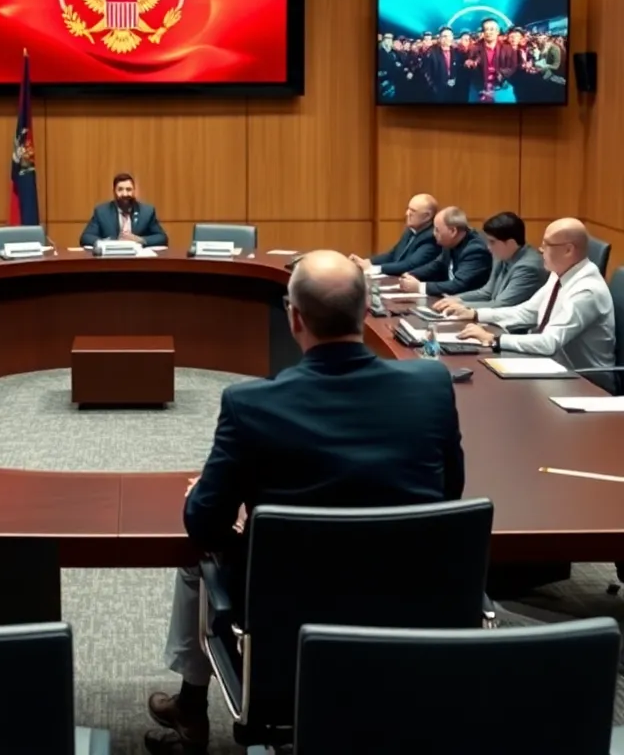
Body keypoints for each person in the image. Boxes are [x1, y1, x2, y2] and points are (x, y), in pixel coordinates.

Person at [145, 251, 464, 754]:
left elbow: (202, 525)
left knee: (200, 564)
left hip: (290, 630)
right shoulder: (431, 384)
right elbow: (450, 495)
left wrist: (247, 522)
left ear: (294, 318)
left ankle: (192, 704)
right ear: (366, 313)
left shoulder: (251, 404)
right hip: (413, 615)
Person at [456, 218, 615, 382]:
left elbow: (549, 342)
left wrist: (493, 339)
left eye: (547, 245)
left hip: (586, 381)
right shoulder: (559, 274)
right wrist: (476, 314)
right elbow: (527, 312)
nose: (540, 249)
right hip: (552, 367)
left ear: (568, 250)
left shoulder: (587, 291)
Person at [432, 212, 545, 314]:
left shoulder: (528, 267)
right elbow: (486, 292)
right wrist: (455, 299)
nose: (488, 247)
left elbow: (502, 305)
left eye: (492, 242)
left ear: (510, 243)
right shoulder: (501, 256)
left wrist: (461, 306)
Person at [399, 207, 492, 297]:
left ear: (453, 231)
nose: (433, 233)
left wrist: (419, 287)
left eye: (437, 230)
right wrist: (411, 274)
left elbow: (459, 285)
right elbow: (437, 265)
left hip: (468, 304)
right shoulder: (451, 243)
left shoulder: (475, 250)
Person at [350, 194, 440, 276]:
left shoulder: (432, 237)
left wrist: (375, 268)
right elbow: (392, 255)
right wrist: (367, 262)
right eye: (408, 209)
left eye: (413, 211)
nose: (407, 213)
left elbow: (410, 265)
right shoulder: (410, 231)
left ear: (427, 216)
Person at [80, 173, 168, 248]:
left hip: (138, 261)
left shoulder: (147, 212)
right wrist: (108, 242)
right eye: (120, 189)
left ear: (134, 191)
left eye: (129, 189)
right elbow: (86, 237)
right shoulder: (102, 211)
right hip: (110, 260)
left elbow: (162, 238)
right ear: (114, 191)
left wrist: (140, 240)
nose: (125, 194)